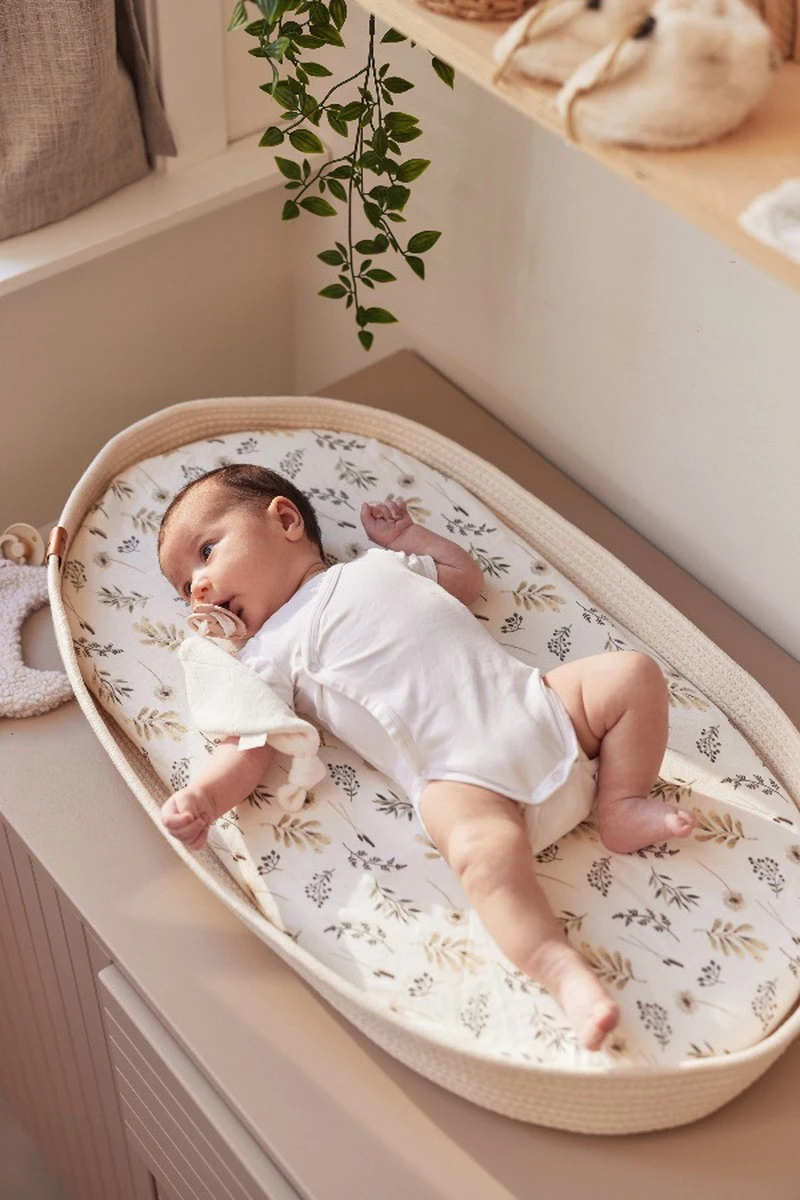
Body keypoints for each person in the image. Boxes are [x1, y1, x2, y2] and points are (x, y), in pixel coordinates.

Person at [157, 464, 695, 1051]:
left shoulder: (379, 565)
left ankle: (620, 803)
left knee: (631, 674)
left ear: (285, 520)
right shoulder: (267, 652)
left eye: (206, 552)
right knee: (482, 858)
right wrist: (205, 797)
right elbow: (249, 744)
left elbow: (465, 579)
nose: (198, 587)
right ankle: (560, 970)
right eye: (184, 587)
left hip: (538, 704)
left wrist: (408, 538)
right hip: (458, 777)